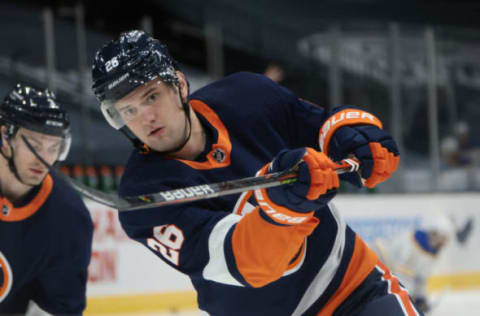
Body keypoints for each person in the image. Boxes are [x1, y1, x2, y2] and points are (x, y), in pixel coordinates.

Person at [91, 30, 418, 316]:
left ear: (179, 84)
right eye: (128, 110)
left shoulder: (246, 96)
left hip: (351, 285)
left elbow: (319, 126)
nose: (145, 118)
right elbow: (243, 264)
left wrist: (357, 139)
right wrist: (283, 209)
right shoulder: (143, 196)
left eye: (151, 97)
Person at [0, 84, 93, 315]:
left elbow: (59, 307)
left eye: (54, 147)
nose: (44, 159)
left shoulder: (67, 216)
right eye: (34, 144)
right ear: (4, 136)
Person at [373, 215, 474, 314]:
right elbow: (398, 273)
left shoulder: (432, 252)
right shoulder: (408, 243)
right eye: (444, 238)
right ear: (436, 234)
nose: (445, 243)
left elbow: (421, 279)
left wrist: (421, 298)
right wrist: (409, 298)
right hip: (375, 268)